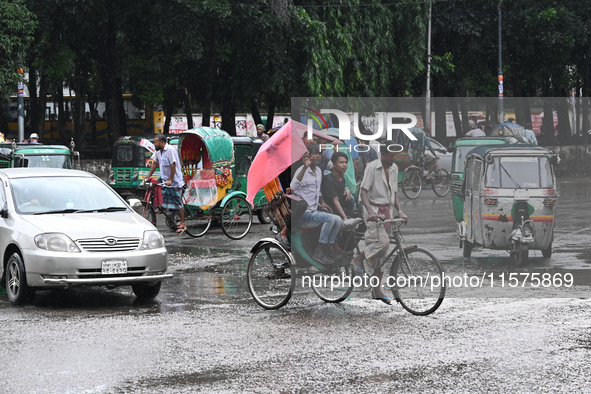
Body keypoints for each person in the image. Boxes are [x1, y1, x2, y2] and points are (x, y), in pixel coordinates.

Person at [350, 141, 408, 305]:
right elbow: (363, 192)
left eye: (395, 154)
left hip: (387, 211)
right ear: (383, 154)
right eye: (391, 155)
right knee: (381, 242)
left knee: (382, 253)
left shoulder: (394, 168)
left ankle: (377, 290)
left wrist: (400, 211)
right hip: (373, 211)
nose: (394, 157)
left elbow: (394, 192)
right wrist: (370, 213)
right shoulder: (372, 167)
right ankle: (358, 259)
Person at [290, 143, 343, 265]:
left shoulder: (319, 171)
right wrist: (304, 167)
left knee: (338, 220)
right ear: (308, 155)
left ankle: (329, 248)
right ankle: (319, 250)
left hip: (314, 212)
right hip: (303, 214)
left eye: (319, 153)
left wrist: (323, 202)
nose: (318, 156)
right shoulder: (301, 170)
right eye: (314, 153)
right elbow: (292, 187)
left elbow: (317, 190)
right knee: (330, 220)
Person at [146, 133, 186, 233]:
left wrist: (171, 180)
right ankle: (161, 208)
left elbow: (173, 165)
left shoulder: (170, 150)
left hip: (174, 180)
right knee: (155, 189)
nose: (154, 144)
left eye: (155, 142)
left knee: (178, 203)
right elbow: (155, 164)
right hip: (164, 179)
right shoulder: (158, 151)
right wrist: (148, 177)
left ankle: (183, 223)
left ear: (162, 142)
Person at [321, 152, 354, 221]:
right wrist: (345, 217)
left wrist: (346, 190)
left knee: (359, 218)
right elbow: (335, 201)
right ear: (334, 165)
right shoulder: (329, 179)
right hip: (333, 212)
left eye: (346, 162)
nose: (344, 165)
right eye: (341, 162)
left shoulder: (342, 179)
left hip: (342, 209)